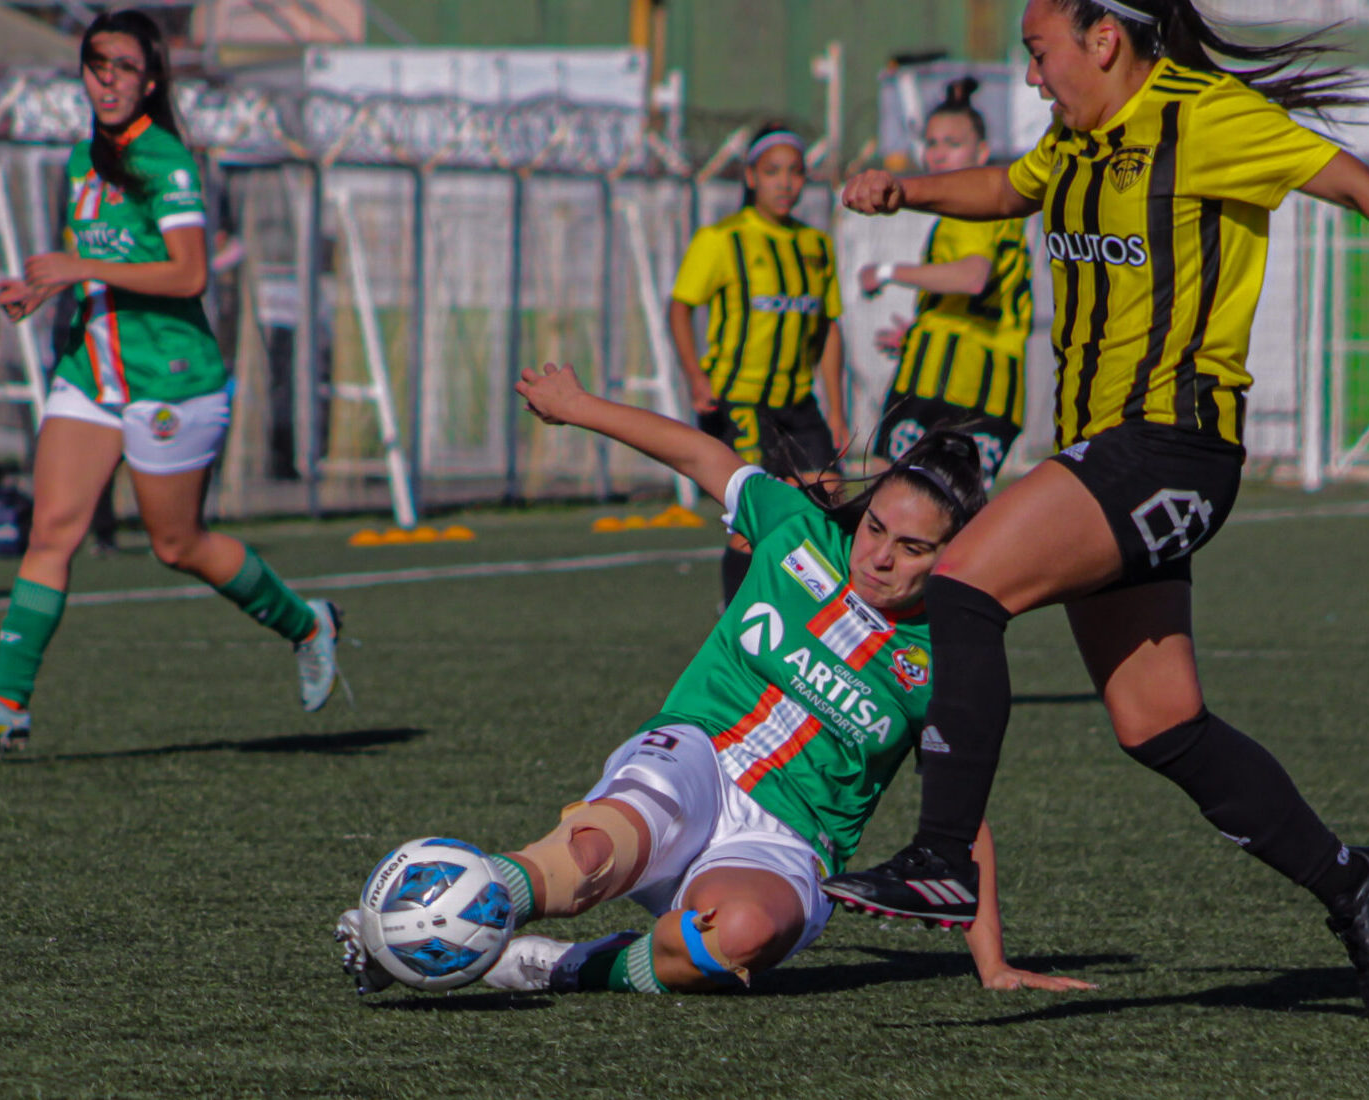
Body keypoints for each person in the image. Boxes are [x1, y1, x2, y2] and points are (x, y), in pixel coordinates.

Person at [820, 0, 1369, 1025]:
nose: (1030, 72)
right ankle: (1354, 879)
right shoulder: (1077, 142)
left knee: (958, 584)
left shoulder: (1204, 119)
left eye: (1039, 47)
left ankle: (938, 859)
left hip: (1171, 445)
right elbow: (1007, 190)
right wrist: (905, 192)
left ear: (1102, 39)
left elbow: (1359, 184)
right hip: (1107, 451)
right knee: (1158, 721)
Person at [335, 363, 1090, 998]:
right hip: (694, 756)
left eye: (914, 547)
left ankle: (558, 968)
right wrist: (578, 408)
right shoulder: (797, 527)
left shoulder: (950, 655)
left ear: (955, 556)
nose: (880, 556)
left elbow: (961, 819)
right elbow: (702, 458)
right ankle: (422, 917)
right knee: (593, 853)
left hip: (789, 839)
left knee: (739, 937)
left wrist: (990, 964)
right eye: (875, 529)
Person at [0, 9, 343, 753]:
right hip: (92, 372)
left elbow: (188, 272)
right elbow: (93, 257)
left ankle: (305, 623)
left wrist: (80, 267)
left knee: (177, 545)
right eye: (96, 64)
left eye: (123, 67)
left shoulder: (168, 163)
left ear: (150, 80)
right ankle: (8, 702)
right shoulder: (79, 162)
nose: (108, 79)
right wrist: (46, 288)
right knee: (51, 529)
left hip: (170, 381)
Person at [667, 126, 850, 605]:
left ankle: (806, 621)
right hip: (739, 401)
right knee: (752, 518)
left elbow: (829, 327)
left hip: (799, 403)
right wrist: (695, 376)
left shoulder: (815, 245)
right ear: (750, 177)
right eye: (773, 172)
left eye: (795, 173)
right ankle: (739, 625)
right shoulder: (722, 240)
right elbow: (680, 307)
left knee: (829, 499)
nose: (785, 183)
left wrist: (837, 408)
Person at [856, 78, 1032, 482]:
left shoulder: (972, 211)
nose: (938, 154)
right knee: (956, 505)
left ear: (981, 152)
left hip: (943, 379)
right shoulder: (1001, 215)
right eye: (932, 143)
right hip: (996, 385)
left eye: (952, 144)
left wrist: (887, 272)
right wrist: (921, 329)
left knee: (894, 488)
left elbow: (972, 277)